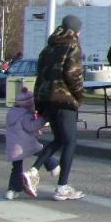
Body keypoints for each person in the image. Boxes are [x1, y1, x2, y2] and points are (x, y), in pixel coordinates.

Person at [27, 14, 86, 201]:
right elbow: (72, 74)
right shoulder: (73, 46)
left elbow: (40, 77)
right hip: (64, 99)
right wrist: (79, 95)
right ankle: (62, 186)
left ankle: (33, 171)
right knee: (70, 141)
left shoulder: (48, 48)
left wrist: (39, 106)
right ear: (76, 30)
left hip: (47, 100)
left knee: (59, 139)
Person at [4, 87, 58, 199]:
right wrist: (43, 119)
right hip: (26, 144)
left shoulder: (12, 113)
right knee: (42, 152)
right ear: (29, 105)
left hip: (13, 145)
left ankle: (12, 190)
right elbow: (31, 127)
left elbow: (20, 127)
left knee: (16, 167)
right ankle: (54, 166)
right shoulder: (26, 115)